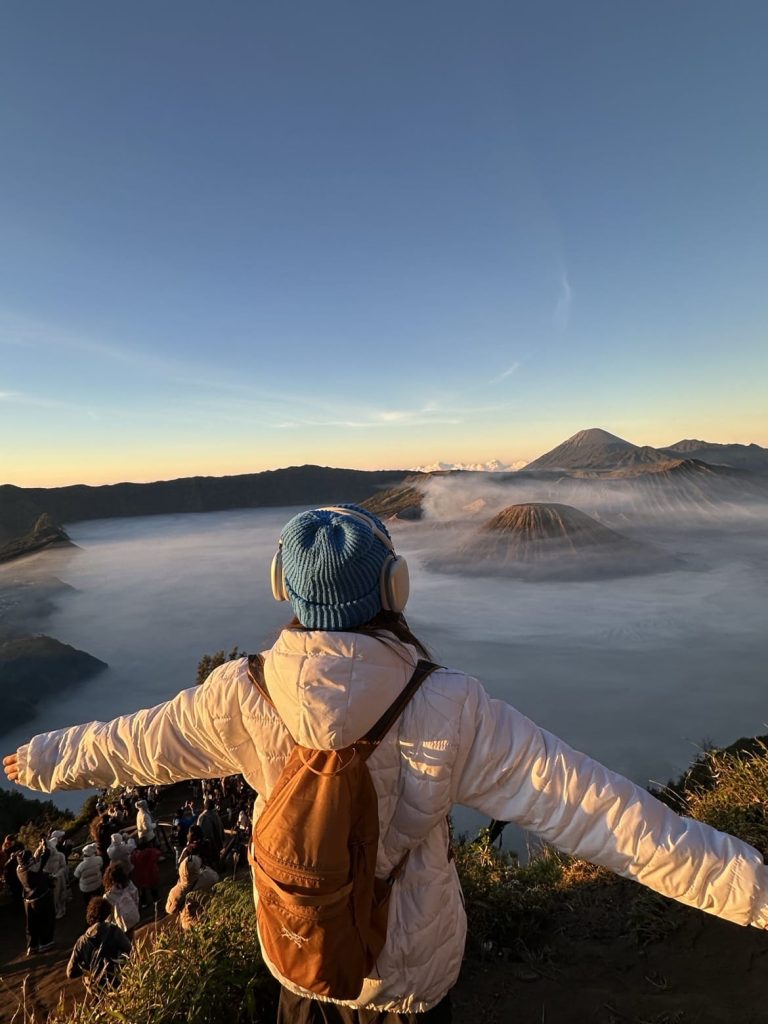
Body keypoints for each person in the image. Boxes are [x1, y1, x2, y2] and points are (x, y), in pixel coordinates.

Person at [5, 503, 768, 1022]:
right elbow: (605, 814)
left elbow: (122, 746)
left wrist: (36, 761)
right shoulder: (452, 707)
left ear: (285, 588)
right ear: (394, 587)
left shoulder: (236, 695)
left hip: (298, 956)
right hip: (408, 975)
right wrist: (754, 891)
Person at [67, 896, 132, 989]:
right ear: (107, 914)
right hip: (117, 981)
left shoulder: (81, 941)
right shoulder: (114, 931)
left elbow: (70, 972)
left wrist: (86, 970)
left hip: (96, 986)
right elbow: (130, 950)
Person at [16, 840, 56, 955]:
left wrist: (38, 848)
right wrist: (44, 847)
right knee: (46, 921)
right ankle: (45, 943)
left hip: (28, 901)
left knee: (31, 925)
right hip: (41, 899)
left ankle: (32, 946)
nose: (33, 860)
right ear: (29, 861)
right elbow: (45, 856)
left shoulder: (19, 870)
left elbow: (34, 860)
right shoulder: (34, 869)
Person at [103, 863, 140, 933]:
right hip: (134, 917)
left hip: (121, 925)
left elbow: (108, 916)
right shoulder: (129, 884)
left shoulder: (108, 896)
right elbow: (136, 897)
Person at [43, 835, 70, 919]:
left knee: (60, 894)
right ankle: (55, 910)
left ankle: (62, 910)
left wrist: (57, 874)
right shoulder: (44, 857)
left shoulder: (60, 855)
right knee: (53, 897)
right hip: (49, 880)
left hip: (58, 879)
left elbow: (63, 867)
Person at [130, 838, 161, 909]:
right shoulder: (151, 852)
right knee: (153, 887)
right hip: (151, 872)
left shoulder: (135, 854)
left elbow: (131, 860)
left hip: (140, 874)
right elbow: (158, 854)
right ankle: (156, 899)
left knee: (142, 889)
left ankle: (144, 902)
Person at [73, 842, 104, 907]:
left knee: (87, 901)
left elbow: (76, 875)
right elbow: (101, 866)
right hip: (97, 884)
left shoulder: (81, 866)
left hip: (86, 888)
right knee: (99, 898)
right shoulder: (99, 859)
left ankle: (90, 909)